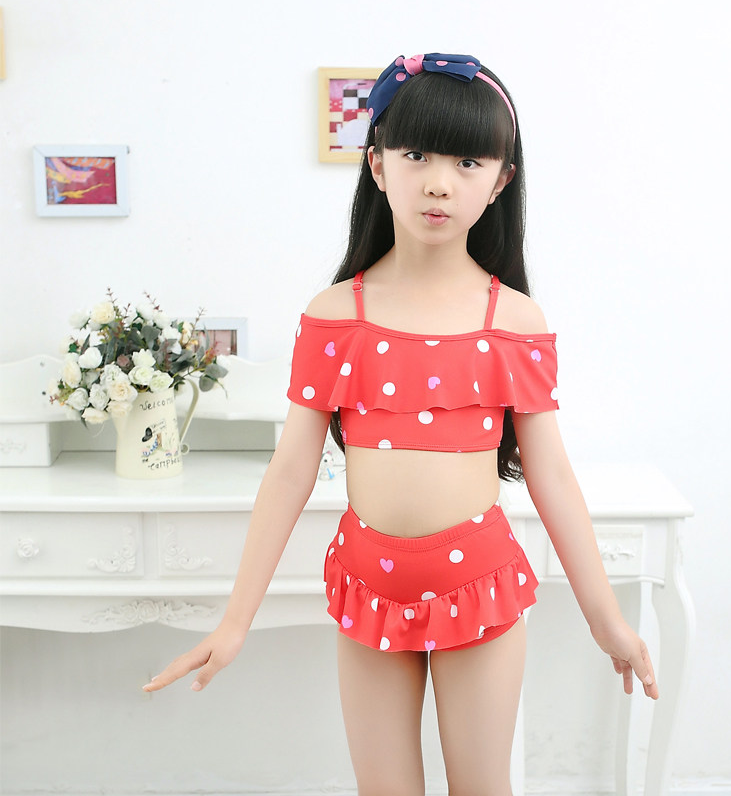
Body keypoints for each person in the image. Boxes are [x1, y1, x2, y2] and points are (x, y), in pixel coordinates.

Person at [144, 52, 658, 795]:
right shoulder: (334, 315)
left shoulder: (513, 321)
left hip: (478, 582)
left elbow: (551, 474)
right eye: (416, 155)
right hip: (367, 585)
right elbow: (290, 471)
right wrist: (234, 622)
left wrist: (606, 619)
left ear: (500, 181)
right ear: (378, 165)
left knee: (481, 787)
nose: (439, 182)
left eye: (467, 161)